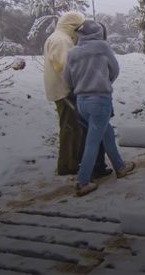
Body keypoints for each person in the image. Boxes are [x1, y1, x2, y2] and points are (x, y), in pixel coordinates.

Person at [62, 20, 135, 196]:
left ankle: (120, 166)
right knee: (93, 141)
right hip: (100, 100)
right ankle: (83, 181)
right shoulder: (102, 48)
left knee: (106, 132)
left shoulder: (73, 53)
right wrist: (104, 82)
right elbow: (115, 70)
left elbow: (67, 78)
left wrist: (81, 85)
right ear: (97, 33)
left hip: (81, 101)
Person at [43, 11, 109, 177]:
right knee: (70, 128)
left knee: (74, 127)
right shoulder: (62, 40)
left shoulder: (59, 37)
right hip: (64, 90)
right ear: (72, 27)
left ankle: (74, 162)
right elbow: (65, 66)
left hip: (63, 89)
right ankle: (67, 165)